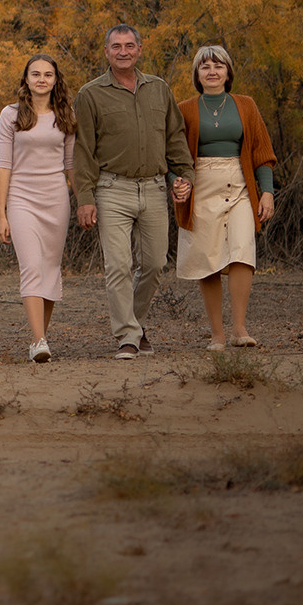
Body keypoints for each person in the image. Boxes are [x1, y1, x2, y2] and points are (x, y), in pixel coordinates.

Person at [73, 24, 192, 360]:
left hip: (154, 187)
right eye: (116, 46)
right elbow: (83, 150)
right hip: (111, 188)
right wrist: (85, 197)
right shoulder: (90, 94)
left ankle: (134, 324)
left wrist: (184, 176)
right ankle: (127, 335)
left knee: (155, 263)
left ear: (140, 49)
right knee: (118, 265)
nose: (122, 52)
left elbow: (175, 138)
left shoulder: (159, 89)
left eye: (129, 45)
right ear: (106, 51)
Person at [175, 44, 278, 350]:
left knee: (242, 251)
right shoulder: (185, 109)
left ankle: (239, 328)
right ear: (197, 73)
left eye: (218, 66)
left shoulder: (245, 105)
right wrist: (177, 182)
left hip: (240, 185)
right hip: (201, 186)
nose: (212, 71)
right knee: (207, 258)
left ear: (228, 71)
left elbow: (262, 152)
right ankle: (217, 334)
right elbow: (174, 155)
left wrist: (267, 192)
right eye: (205, 66)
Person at [0, 54, 77, 363]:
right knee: (31, 266)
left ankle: (41, 335)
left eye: (48, 74)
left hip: (56, 198)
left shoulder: (65, 113)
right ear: (26, 79)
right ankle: (38, 341)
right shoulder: (11, 115)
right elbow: (4, 164)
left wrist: (83, 199)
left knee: (50, 269)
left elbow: (70, 164)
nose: (42, 79)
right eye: (35, 74)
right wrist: (0, 212)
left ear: (55, 80)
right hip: (21, 198)